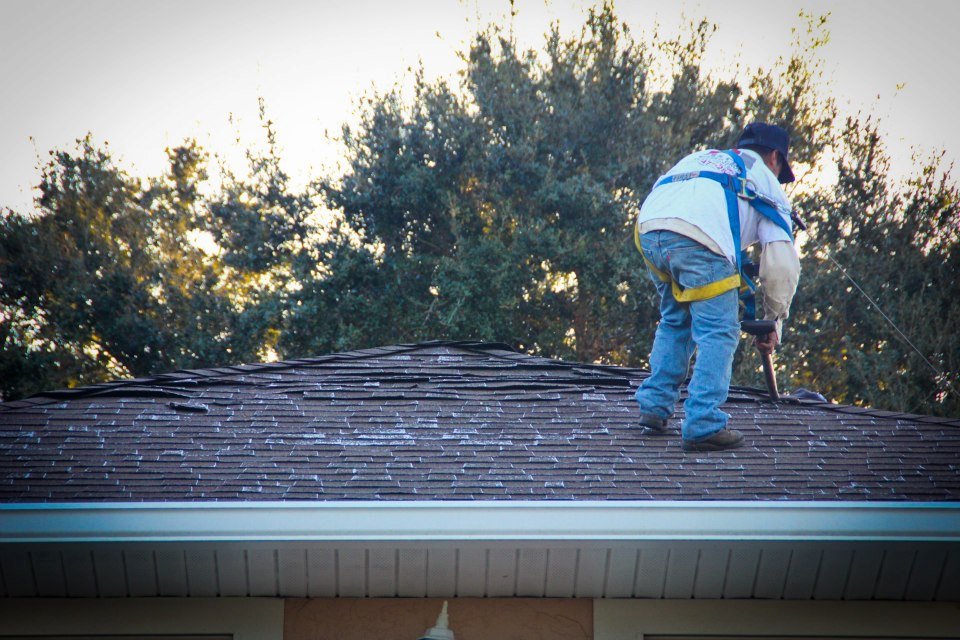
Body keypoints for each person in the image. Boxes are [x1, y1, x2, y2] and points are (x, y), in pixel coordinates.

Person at [633, 122, 801, 452]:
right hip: (699, 236)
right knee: (719, 330)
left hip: (650, 231)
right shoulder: (766, 181)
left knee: (676, 319)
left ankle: (653, 406)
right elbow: (780, 265)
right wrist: (774, 320)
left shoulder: (705, 159)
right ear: (774, 158)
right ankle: (703, 423)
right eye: (781, 170)